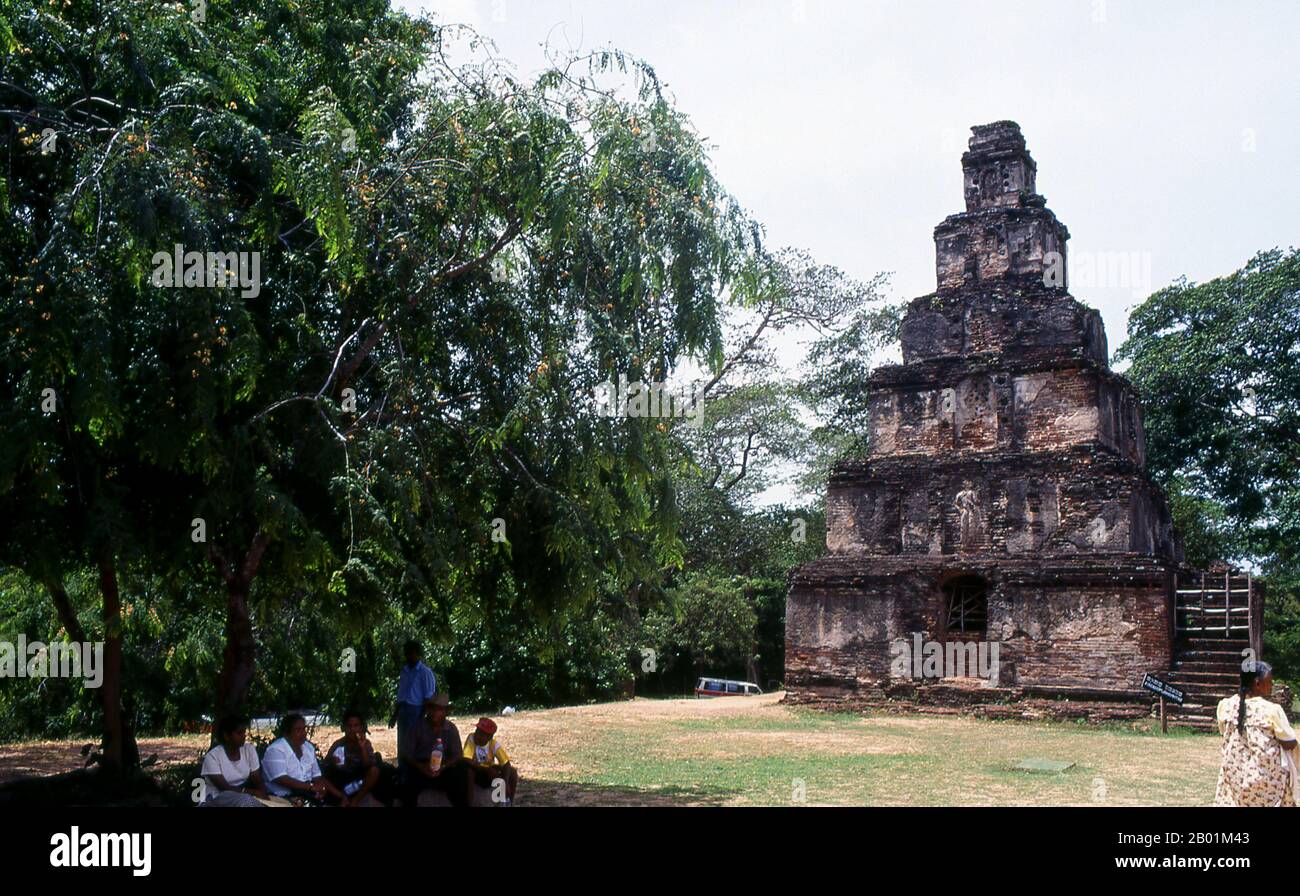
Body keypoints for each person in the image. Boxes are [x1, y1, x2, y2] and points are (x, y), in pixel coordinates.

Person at [1214, 659, 1298, 806]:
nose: (1272, 685)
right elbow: (1288, 742)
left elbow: (1224, 731)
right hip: (1267, 781)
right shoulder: (1271, 710)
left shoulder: (1226, 706)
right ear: (1258, 683)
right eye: (1270, 681)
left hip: (1236, 777)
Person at [399, 694, 468, 807]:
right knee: (407, 786)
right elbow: (405, 753)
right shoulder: (417, 727)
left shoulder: (451, 729)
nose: (435, 712)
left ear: (446, 712)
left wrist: (444, 766)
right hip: (421, 766)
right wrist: (421, 766)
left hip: (443, 768)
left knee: (461, 774)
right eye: (432, 708)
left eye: (439, 709)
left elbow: (457, 755)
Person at [263, 713, 346, 806]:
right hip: (282, 798)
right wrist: (310, 787)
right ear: (287, 733)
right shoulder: (276, 749)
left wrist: (321, 789)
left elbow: (317, 776)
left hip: (307, 794)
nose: (303, 733)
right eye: (298, 730)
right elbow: (281, 779)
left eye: (304, 729)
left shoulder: (308, 748)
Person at [324, 709, 396, 806]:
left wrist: (362, 748)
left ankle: (356, 801)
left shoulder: (365, 744)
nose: (353, 729)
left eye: (356, 726)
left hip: (359, 779)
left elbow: (369, 766)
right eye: (349, 726)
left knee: (375, 771)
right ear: (344, 728)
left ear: (361, 727)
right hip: (342, 779)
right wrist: (333, 761)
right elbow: (326, 766)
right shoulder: (338, 744)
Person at [198, 716, 268, 807]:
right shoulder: (213, 757)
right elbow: (224, 788)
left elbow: (257, 779)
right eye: (239, 733)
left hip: (244, 794)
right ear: (226, 736)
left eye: (244, 732)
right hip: (217, 797)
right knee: (246, 801)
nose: (244, 736)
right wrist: (252, 792)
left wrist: (264, 794)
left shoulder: (249, 750)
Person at [390, 640, 437, 769]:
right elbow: (401, 694)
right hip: (403, 710)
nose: (408, 657)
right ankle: (402, 770)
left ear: (417, 654)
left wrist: (422, 717)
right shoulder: (405, 671)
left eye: (411, 653)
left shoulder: (425, 672)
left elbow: (428, 697)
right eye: (406, 654)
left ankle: (413, 771)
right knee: (402, 742)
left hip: (416, 710)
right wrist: (395, 714)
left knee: (414, 743)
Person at [463, 717, 518, 805]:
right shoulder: (471, 738)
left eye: (481, 734)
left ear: (489, 737)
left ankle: (507, 802)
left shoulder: (493, 744)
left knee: (512, 772)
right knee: (469, 772)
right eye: (477, 731)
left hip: (489, 771)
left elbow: (506, 763)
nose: (477, 736)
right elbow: (466, 760)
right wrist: (485, 769)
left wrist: (505, 781)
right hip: (476, 769)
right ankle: (469, 803)